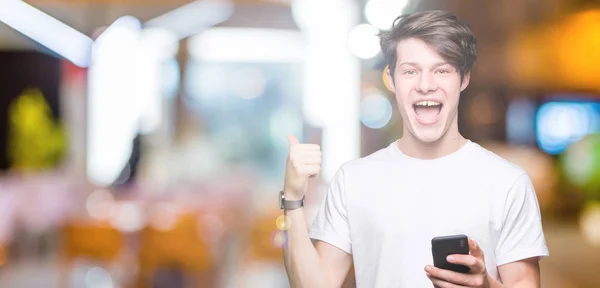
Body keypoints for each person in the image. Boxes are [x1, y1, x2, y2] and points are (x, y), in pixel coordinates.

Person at [280, 9, 549, 288]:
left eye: (441, 70)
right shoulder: (352, 180)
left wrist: (486, 286)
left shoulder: (508, 183)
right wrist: (292, 200)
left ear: (464, 79)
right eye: (411, 71)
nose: (425, 85)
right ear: (392, 80)